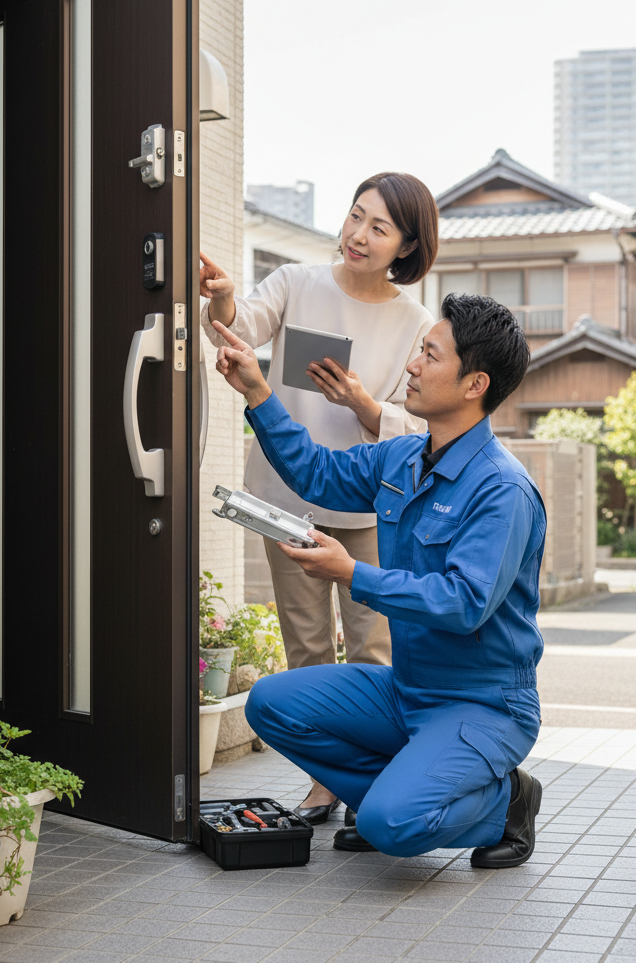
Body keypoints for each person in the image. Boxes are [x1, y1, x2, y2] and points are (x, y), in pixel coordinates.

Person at [210, 292, 545, 864]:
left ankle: (506, 801)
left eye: (430, 356)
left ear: (474, 384)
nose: (413, 365)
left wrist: (353, 573)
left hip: (483, 706)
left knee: (393, 828)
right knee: (268, 703)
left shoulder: (502, 490)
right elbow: (315, 473)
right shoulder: (403, 458)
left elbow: (465, 602)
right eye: (420, 351)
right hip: (407, 690)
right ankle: (397, 790)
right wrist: (258, 391)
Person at [200, 173, 437, 825]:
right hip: (289, 504)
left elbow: (421, 427)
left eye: (379, 227)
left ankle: (378, 784)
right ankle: (323, 784)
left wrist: (362, 404)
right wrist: (221, 302)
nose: (359, 235)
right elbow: (237, 327)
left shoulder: (417, 323)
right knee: (306, 653)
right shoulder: (297, 283)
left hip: (368, 510)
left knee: (374, 653)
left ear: (406, 245)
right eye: (356, 216)